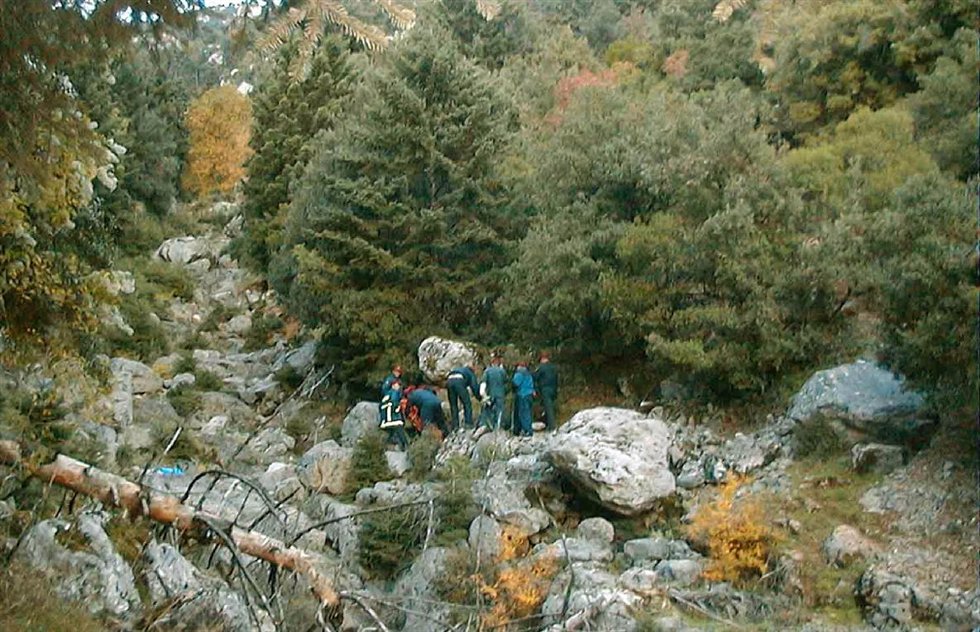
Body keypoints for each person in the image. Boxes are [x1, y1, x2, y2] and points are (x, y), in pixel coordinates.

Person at [446, 363, 479, 430]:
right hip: (459, 380)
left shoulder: (460, 369)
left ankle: (455, 426)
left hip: (449, 380)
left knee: (453, 405)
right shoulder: (470, 373)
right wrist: (479, 397)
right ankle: (468, 424)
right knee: (467, 403)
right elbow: (474, 387)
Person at [479, 355, 508, 431]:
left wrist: (484, 395)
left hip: (490, 394)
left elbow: (483, 383)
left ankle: (486, 426)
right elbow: (506, 381)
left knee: (488, 410)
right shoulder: (502, 371)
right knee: (499, 411)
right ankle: (498, 427)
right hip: (500, 394)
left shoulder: (487, 371)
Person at [378, 379, 408, 450]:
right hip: (392, 415)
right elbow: (394, 402)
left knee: (392, 431)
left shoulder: (388, 393)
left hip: (386, 415)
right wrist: (397, 408)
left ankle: (386, 444)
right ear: (393, 385)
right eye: (398, 385)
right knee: (398, 427)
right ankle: (405, 444)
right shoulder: (394, 393)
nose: (399, 387)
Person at [534, 352, 559, 430]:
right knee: (549, 407)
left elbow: (535, 377)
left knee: (548, 408)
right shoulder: (554, 367)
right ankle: (547, 423)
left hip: (545, 389)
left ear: (542, 359)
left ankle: (552, 426)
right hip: (553, 389)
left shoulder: (541, 367)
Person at [512, 361, 535, 437]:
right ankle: (527, 429)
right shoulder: (528, 374)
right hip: (530, 394)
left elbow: (516, 383)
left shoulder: (519, 373)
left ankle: (527, 430)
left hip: (522, 395)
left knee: (523, 413)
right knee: (528, 412)